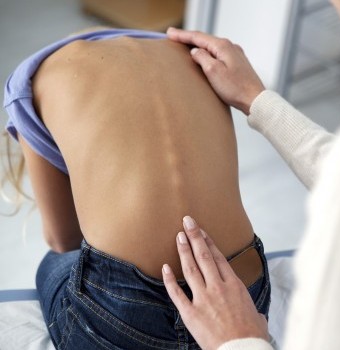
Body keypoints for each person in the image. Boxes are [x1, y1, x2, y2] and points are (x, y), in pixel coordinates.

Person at [2, 28, 271, 349]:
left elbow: (63, 239)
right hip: (241, 293)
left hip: (124, 312)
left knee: (54, 262)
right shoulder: (198, 56)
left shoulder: (33, 78)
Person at [163, 0, 340, 348]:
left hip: (236, 317)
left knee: (58, 263)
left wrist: (240, 341)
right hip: (246, 283)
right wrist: (256, 99)